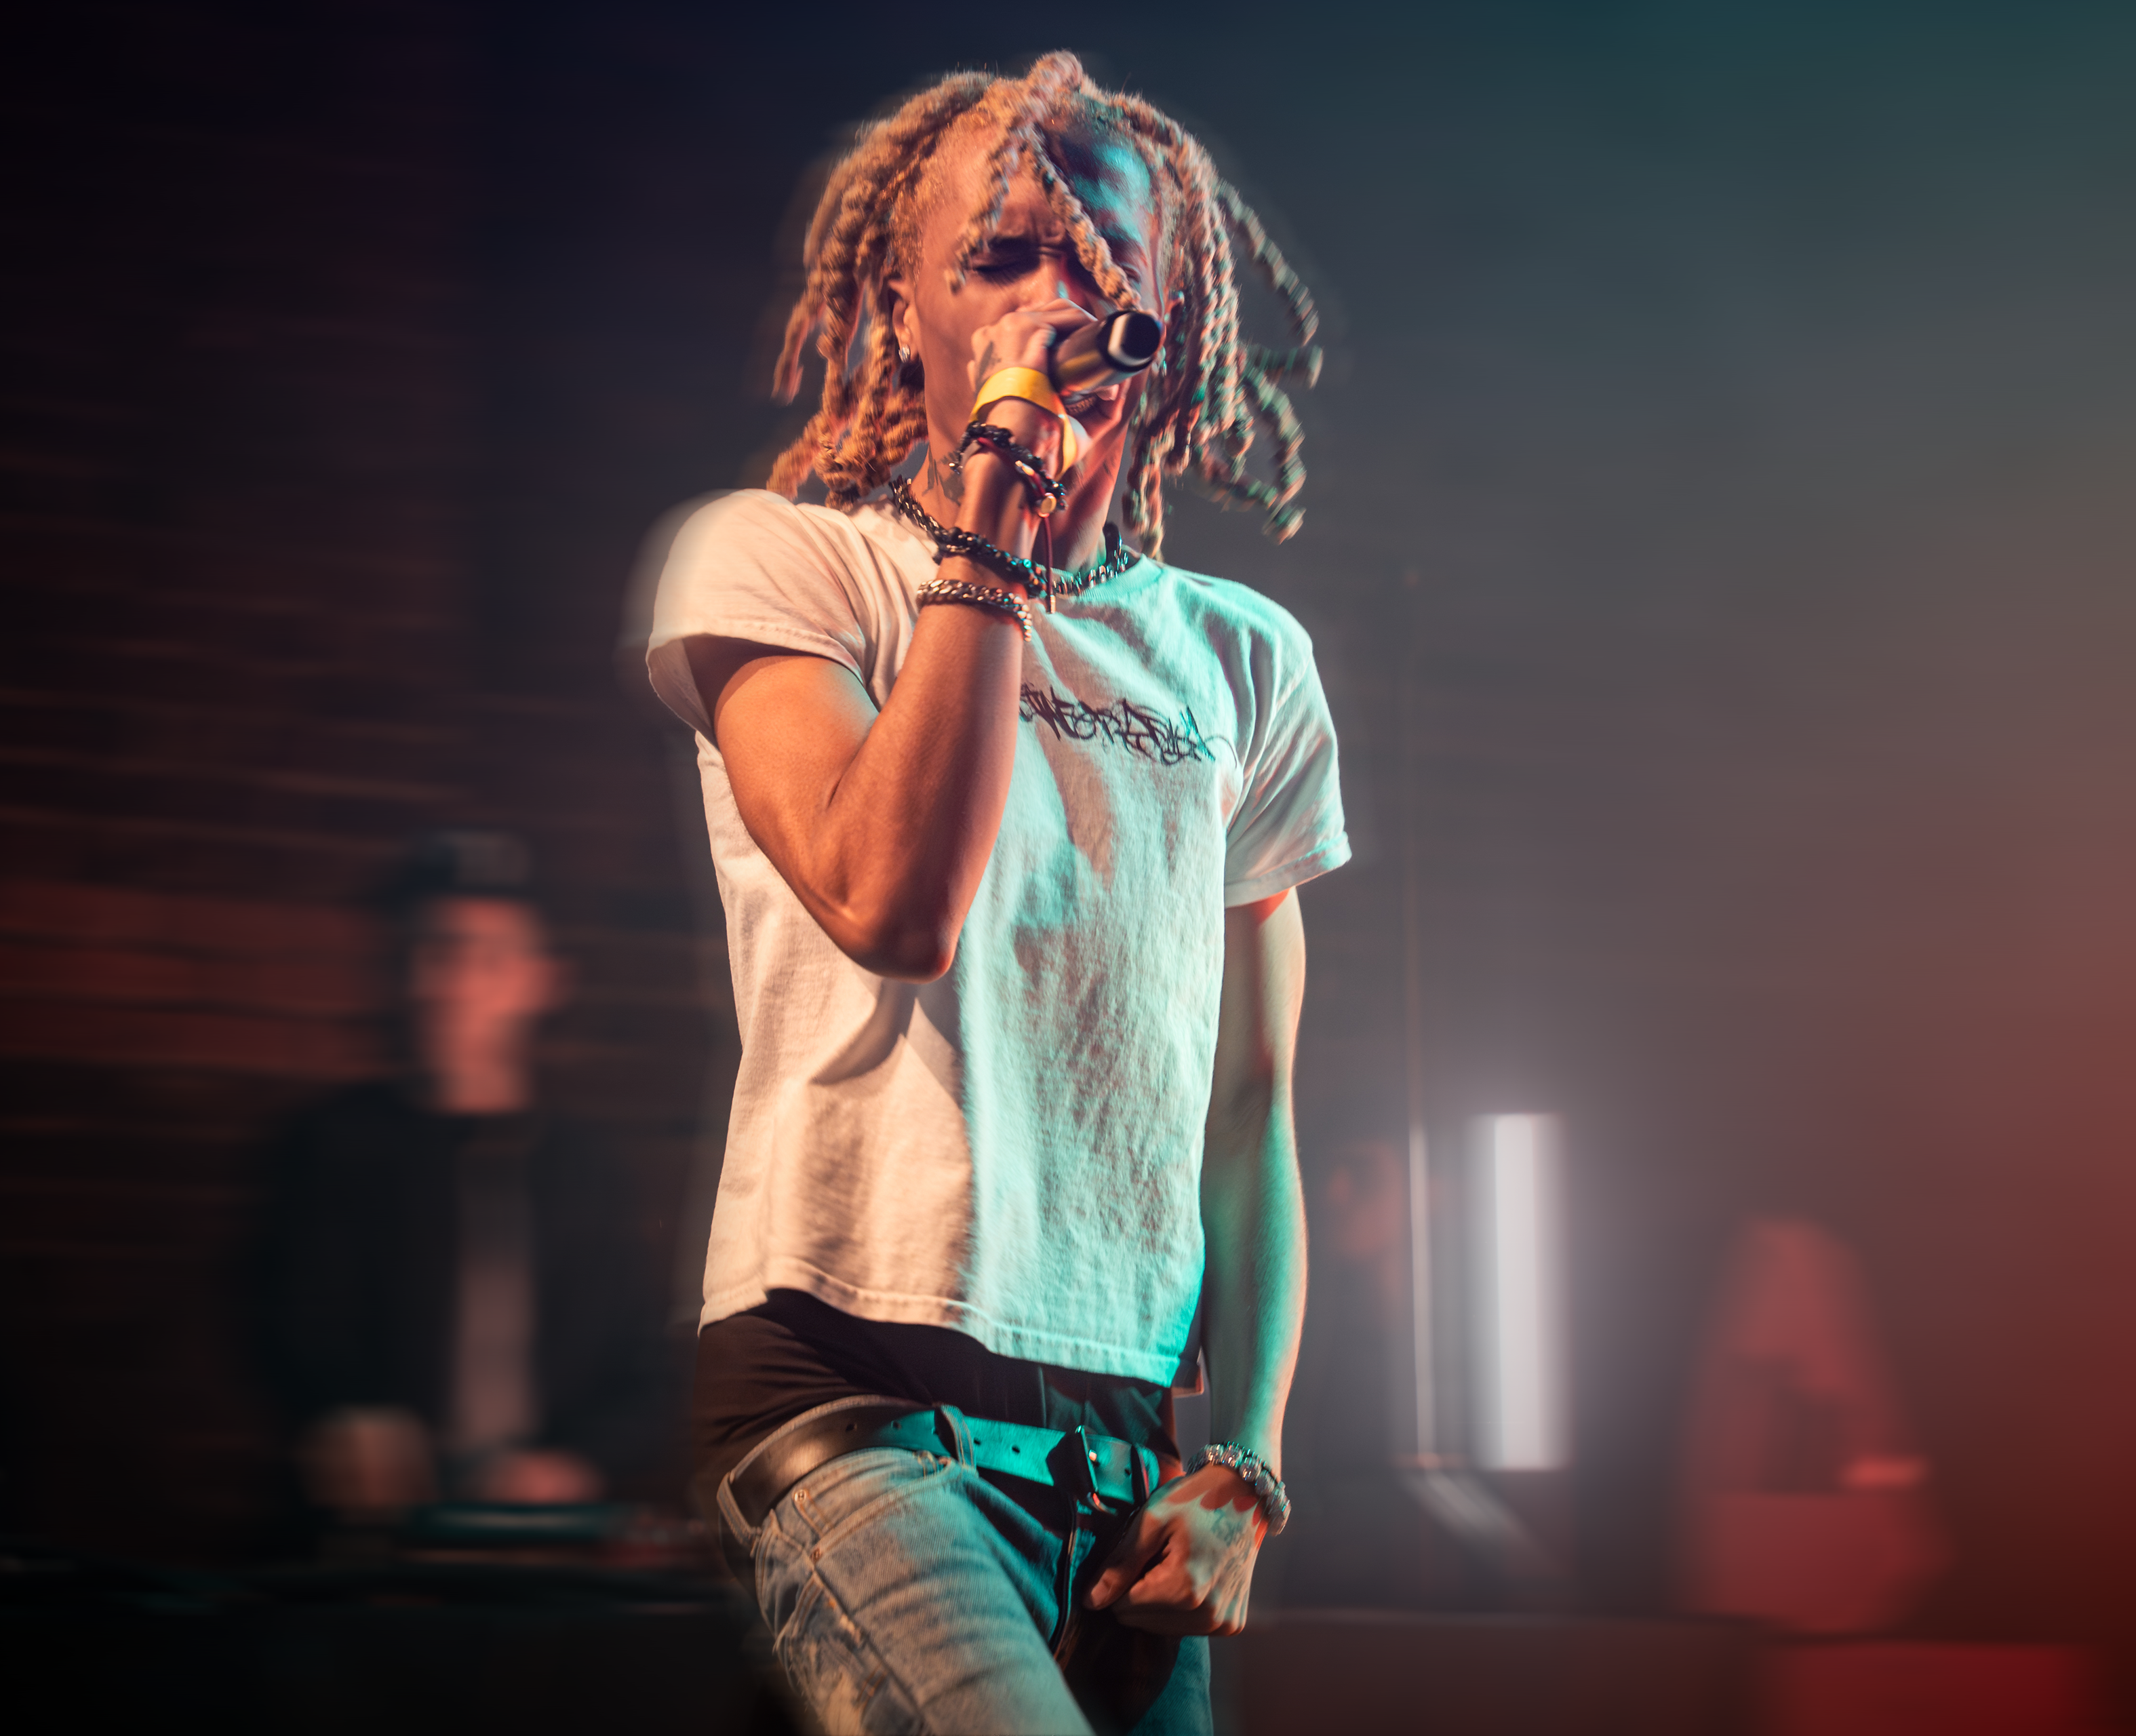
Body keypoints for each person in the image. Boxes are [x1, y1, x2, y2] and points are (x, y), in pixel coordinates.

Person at [638, 52, 1343, 1734]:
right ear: (906, 303)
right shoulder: (790, 564)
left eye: (1096, 263)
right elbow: (893, 901)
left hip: (1125, 1454)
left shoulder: (1242, 661)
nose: (1050, 300)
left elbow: (1248, 1107)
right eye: (1000, 258)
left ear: (1164, 310)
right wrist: (996, 512)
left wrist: (1244, 1463)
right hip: (853, 1405)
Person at [256, 830, 667, 1517]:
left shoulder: (589, 1171)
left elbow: (644, 1369)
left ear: (541, 980)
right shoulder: (328, 1149)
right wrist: (343, 1419)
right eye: (424, 953)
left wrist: (574, 1465)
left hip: (543, 1536)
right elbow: (283, 1330)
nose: (442, 986)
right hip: (367, 1532)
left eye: (479, 958)